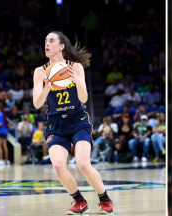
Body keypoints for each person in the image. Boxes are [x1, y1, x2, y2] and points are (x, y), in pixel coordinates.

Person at [32, 31, 113, 214]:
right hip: (56, 125)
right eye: (45, 40)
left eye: (51, 41)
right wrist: (47, 87)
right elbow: (37, 104)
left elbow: (83, 98)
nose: (47, 43)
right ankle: (80, 201)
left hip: (78, 121)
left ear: (61, 46)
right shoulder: (40, 72)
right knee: (59, 167)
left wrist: (76, 80)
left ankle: (105, 199)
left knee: (83, 164)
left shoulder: (75, 67)